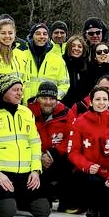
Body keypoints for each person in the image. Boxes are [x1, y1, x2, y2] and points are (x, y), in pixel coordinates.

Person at [0, 73, 49, 217]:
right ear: (4, 91)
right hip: (2, 174)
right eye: (15, 89)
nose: (20, 93)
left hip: (26, 174)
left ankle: (16, 199)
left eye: (21, 89)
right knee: (7, 212)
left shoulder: (27, 113)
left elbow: (35, 143)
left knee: (43, 211)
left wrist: (35, 170)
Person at [66, 86, 109, 217]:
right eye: (97, 99)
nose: (101, 103)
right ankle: (94, 205)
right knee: (92, 181)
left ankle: (104, 206)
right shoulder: (79, 123)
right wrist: (87, 165)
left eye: (104, 99)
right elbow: (73, 152)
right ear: (91, 102)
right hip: (89, 174)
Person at [29, 80, 76, 208]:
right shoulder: (27, 113)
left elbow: (72, 137)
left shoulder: (67, 113)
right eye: (44, 98)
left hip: (57, 158)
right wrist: (39, 156)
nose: (48, 102)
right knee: (42, 204)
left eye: (52, 98)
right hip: (35, 159)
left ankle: (65, 198)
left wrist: (52, 154)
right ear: (38, 98)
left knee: (71, 161)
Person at [0, 16, 35, 98]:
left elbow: (26, 82)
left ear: (15, 34)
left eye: (10, 33)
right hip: (2, 103)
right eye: (3, 33)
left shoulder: (21, 54)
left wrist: (25, 103)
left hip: (19, 103)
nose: (7, 36)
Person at [27, 22, 70, 98]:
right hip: (24, 105)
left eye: (45, 34)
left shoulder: (58, 60)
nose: (42, 36)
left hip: (48, 106)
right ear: (31, 36)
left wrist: (53, 99)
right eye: (38, 33)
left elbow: (65, 85)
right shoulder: (23, 56)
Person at [61, 34, 91, 108]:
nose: (76, 48)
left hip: (82, 108)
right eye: (73, 46)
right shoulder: (61, 62)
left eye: (80, 46)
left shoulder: (88, 66)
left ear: (83, 49)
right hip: (62, 107)